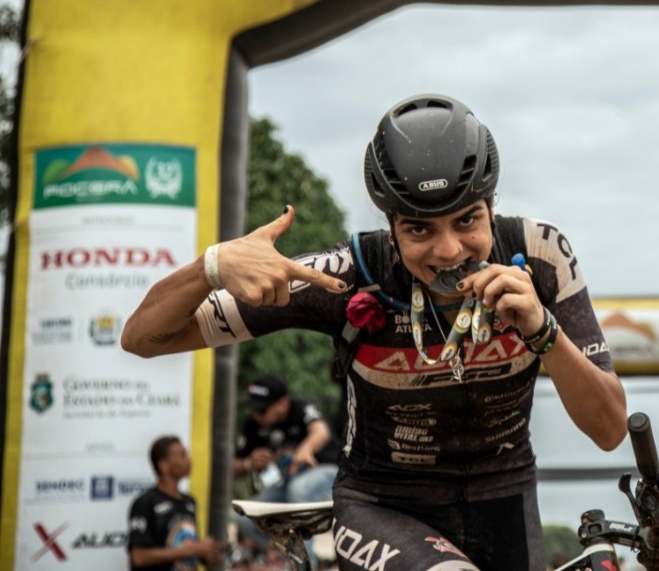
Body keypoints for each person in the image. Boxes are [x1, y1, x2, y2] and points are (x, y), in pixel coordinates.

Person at [123, 93, 628, 571]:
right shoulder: (346, 276)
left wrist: (543, 330)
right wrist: (210, 267)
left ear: (491, 205)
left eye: (467, 220)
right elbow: (142, 338)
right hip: (384, 503)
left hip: (505, 496)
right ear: (391, 225)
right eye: (419, 228)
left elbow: (609, 431)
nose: (449, 250)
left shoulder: (541, 256)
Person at [233, 374, 339, 558]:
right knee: (246, 518)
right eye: (253, 409)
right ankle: (292, 560)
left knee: (299, 489)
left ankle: (308, 562)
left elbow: (321, 431)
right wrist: (249, 463)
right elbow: (232, 468)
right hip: (288, 483)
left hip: (328, 473)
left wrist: (305, 450)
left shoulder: (300, 408)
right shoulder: (253, 425)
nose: (256, 415)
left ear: (282, 403)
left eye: (262, 410)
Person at [127, 435, 225, 569]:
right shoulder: (145, 503)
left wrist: (207, 553)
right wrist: (192, 550)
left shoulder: (190, 502)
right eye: (182, 455)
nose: (189, 460)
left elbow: (189, 549)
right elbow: (138, 557)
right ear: (163, 465)